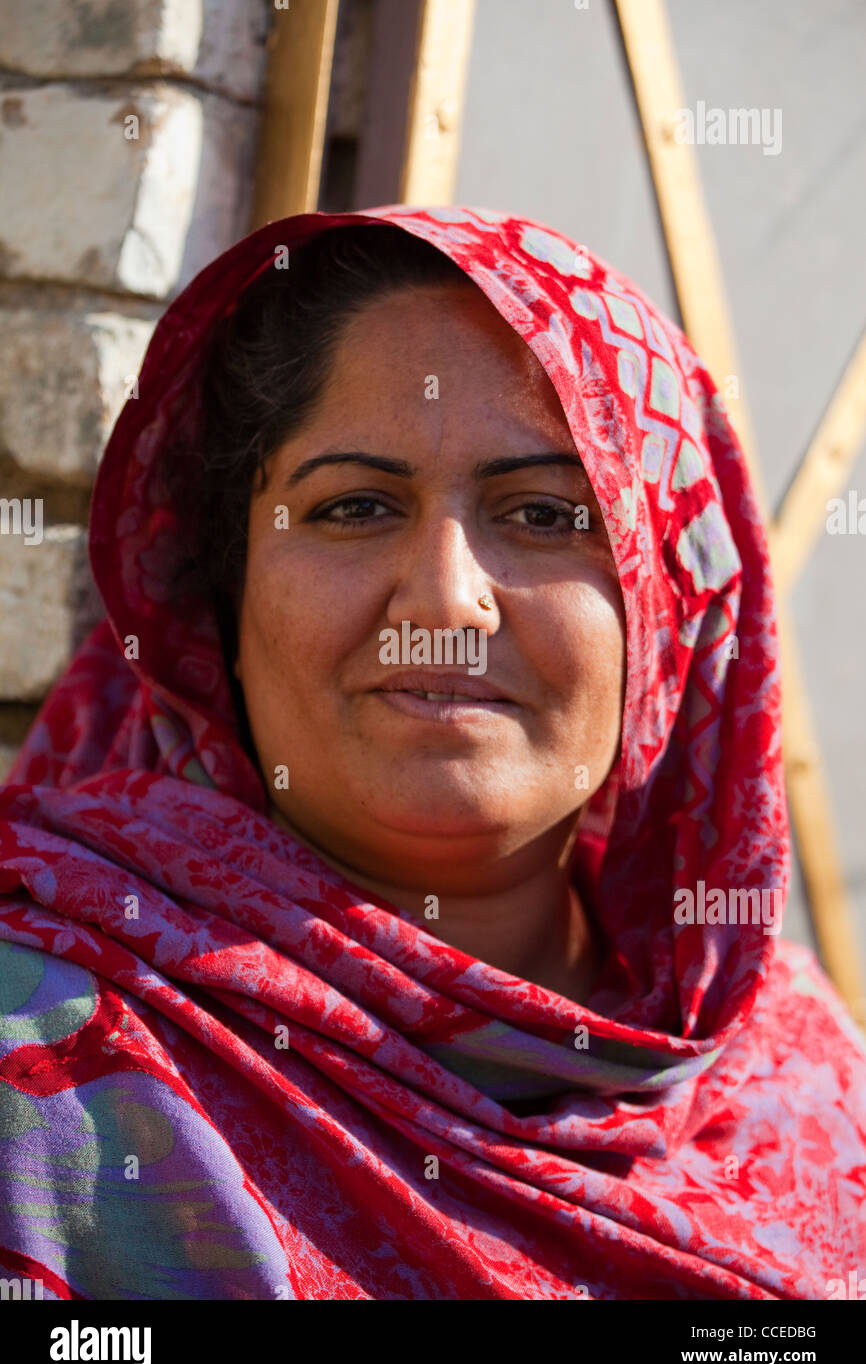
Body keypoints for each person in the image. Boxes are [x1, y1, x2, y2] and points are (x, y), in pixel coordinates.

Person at [0, 204, 863, 1301]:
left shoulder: (790, 1061)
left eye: (545, 515)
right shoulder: (44, 1064)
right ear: (220, 598)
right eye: (353, 505)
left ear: (667, 622)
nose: (446, 600)